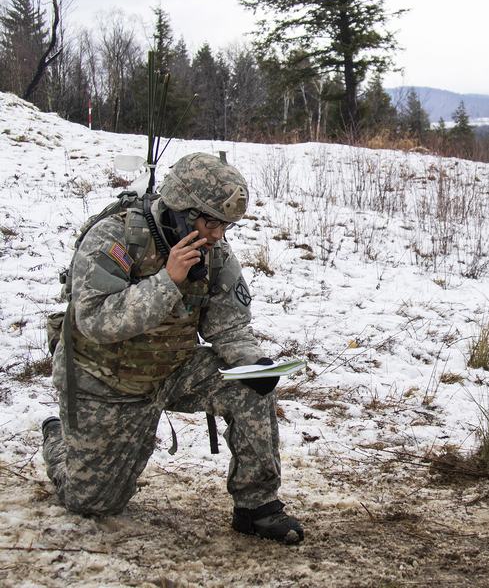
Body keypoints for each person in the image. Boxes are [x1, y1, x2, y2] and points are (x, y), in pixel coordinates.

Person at [41, 152, 303, 544]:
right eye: (209, 221)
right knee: (93, 503)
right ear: (181, 210)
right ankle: (60, 437)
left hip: (173, 367)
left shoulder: (215, 252)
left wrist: (251, 363)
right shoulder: (113, 238)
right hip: (105, 380)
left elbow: (228, 323)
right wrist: (168, 279)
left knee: (249, 387)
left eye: (224, 224)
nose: (216, 234)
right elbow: (96, 321)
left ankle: (257, 506)